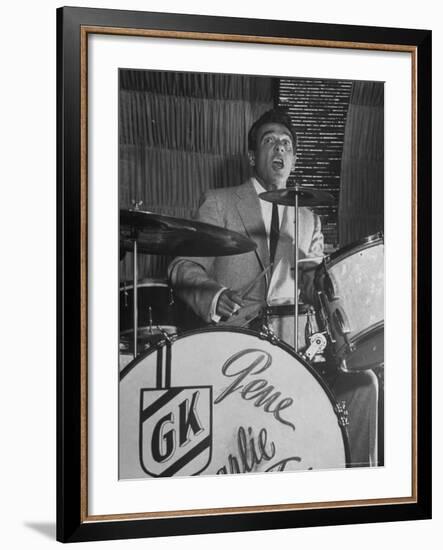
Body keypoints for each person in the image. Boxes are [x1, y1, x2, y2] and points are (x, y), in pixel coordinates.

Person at [168, 109, 378, 467]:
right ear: (253, 156)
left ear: (293, 159)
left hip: (297, 349)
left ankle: (356, 495)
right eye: (270, 141)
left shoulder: (309, 217)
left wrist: (330, 286)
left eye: (286, 143)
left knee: (365, 385)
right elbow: (182, 266)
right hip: (234, 347)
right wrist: (215, 295)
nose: (279, 147)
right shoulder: (220, 201)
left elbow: (314, 284)